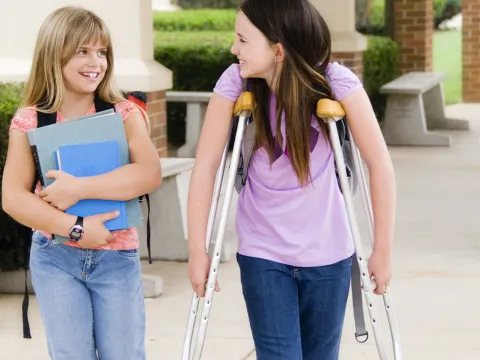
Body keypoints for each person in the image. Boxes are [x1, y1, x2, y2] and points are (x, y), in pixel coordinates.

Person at [187, 0, 396, 359]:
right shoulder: (236, 82)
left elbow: (379, 163)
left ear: (278, 49)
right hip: (262, 252)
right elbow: (206, 167)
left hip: (329, 253)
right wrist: (197, 252)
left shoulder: (335, 82)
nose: (233, 49)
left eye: (242, 40)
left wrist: (382, 250)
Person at [1, 6, 162, 360]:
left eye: (102, 52)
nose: (96, 62)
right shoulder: (32, 120)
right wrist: (76, 229)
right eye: (82, 51)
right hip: (55, 258)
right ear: (53, 54)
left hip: (117, 258)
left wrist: (80, 188)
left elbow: (148, 174)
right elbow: (13, 197)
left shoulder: (123, 114)